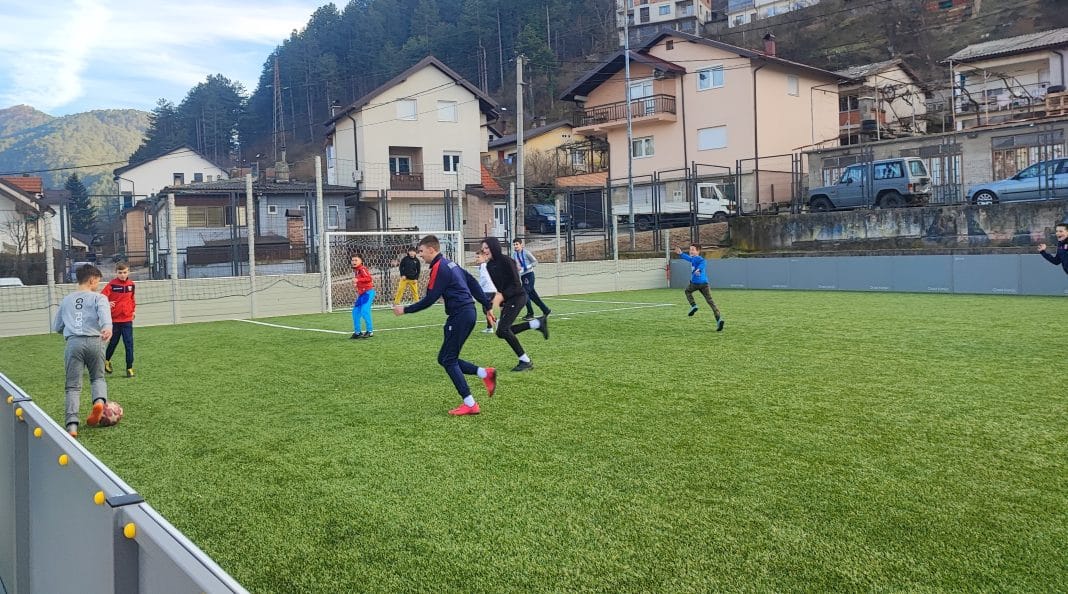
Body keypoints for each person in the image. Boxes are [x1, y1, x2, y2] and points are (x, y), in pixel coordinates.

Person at [393, 235, 496, 416]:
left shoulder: (439, 268)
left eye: (422, 251)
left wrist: (406, 310)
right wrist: (486, 305)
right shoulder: (451, 264)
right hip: (465, 314)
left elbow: (431, 299)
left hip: (461, 315)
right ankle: (484, 373)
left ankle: (470, 403)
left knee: (448, 359)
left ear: (432, 250)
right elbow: (472, 282)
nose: (420, 255)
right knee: (445, 358)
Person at [52, 264, 113, 437]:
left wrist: (72, 326)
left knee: (72, 386)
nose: (98, 286)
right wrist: (107, 327)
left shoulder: (66, 300)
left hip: (74, 344)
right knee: (98, 378)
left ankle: (72, 426)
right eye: (98, 282)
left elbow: (56, 326)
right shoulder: (99, 298)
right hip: (96, 341)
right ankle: (99, 403)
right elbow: (105, 318)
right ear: (92, 279)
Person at [483, 237, 548, 372]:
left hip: (518, 297)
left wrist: (502, 296)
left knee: (503, 330)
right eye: (483, 248)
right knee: (501, 332)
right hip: (508, 300)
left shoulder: (507, 261)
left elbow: (516, 285)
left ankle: (525, 361)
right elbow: (500, 287)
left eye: (487, 247)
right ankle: (536, 324)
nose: (484, 250)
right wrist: (499, 304)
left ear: (494, 247)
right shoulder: (489, 266)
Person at [675, 243, 724, 331]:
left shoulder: (699, 258)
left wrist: (699, 269)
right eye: (690, 249)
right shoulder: (693, 259)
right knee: (710, 302)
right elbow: (689, 258)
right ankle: (719, 319)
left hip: (695, 283)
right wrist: (681, 253)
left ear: (698, 251)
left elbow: (703, 262)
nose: (691, 251)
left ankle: (694, 306)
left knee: (687, 291)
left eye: (693, 249)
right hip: (704, 283)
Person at [102, 261, 136, 377]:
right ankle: (106, 361)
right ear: (116, 273)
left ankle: (129, 368)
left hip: (127, 319)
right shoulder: (111, 285)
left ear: (128, 272)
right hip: (115, 320)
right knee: (113, 343)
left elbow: (132, 299)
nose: (122, 274)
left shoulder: (131, 285)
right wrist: (107, 302)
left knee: (129, 344)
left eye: (125, 272)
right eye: (120, 272)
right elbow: (101, 298)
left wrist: (133, 310)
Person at [512, 237, 550, 320]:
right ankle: (546, 310)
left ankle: (530, 313)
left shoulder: (526, 253)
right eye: (514, 245)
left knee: (524, 294)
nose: (515, 246)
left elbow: (535, 262)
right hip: (522, 276)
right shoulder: (514, 254)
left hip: (529, 275)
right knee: (533, 296)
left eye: (517, 244)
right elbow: (515, 265)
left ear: (521, 245)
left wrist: (527, 267)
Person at [350, 254, 375, 339]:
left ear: (361, 261)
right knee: (355, 312)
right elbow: (362, 280)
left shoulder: (362, 269)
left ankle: (370, 331)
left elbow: (369, 278)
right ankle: (358, 332)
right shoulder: (356, 270)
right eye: (352, 260)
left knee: (365, 311)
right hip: (362, 295)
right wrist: (356, 283)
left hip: (368, 293)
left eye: (356, 260)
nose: (354, 262)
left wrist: (358, 280)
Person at [475, 248, 498, 333]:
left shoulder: (484, 266)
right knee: (488, 309)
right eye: (476, 257)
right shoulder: (484, 266)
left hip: (488, 291)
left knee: (487, 310)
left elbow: (485, 279)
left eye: (478, 257)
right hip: (491, 290)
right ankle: (490, 327)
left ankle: (494, 324)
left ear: (484, 257)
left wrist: (478, 287)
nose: (476, 259)